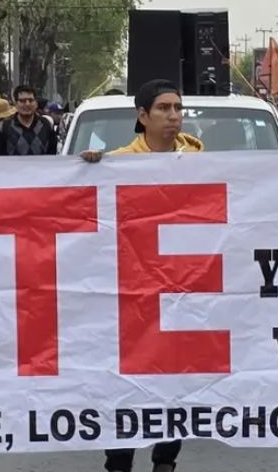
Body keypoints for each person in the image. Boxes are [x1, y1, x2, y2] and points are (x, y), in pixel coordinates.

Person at [79, 78, 198, 472]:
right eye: (164, 108)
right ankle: (119, 461)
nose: (173, 116)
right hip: (130, 296)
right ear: (143, 116)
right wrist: (89, 172)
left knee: (174, 383)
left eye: (178, 108)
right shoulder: (116, 162)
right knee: (125, 384)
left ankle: (166, 459)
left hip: (181, 292)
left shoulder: (200, 158)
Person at [0, 85, 59, 156]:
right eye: (22, 101)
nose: (27, 104)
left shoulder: (46, 125)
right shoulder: (3, 127)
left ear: (36, 104)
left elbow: (52, 155)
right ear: (16, 104)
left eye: (31, 100)